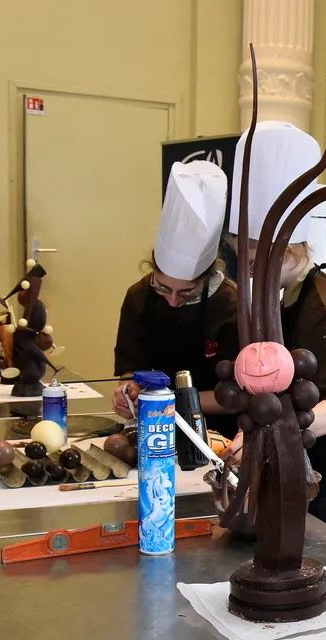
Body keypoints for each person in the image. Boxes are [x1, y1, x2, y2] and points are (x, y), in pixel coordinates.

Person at [223, 121, 326, 550]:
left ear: (286, 251)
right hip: (302, 458)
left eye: (252, 261)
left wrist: (271, 432)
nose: (247, 272)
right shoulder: (286, 297)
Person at [112, 160, 241, 438]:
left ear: (206, 277)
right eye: (162, 288)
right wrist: (128, 390)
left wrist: (165, 401)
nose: (172, 300)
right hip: (154, 427)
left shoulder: (233, 305)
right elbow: (131, 367)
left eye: (186, 292)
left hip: (217, 434)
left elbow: (234, 397)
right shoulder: (138, 296)